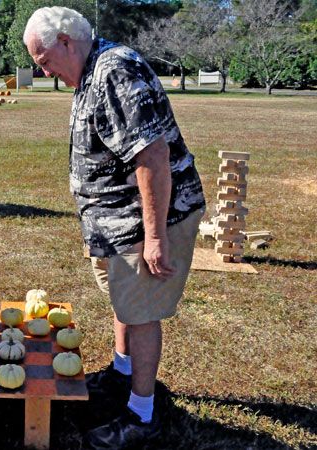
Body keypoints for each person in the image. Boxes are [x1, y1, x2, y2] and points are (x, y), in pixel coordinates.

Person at [23, 7, 205, 448]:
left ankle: (142, 415)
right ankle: (124, 374)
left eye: (44, 60)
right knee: (126, 302)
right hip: (116, 223)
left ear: (67, 41)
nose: (43, 70)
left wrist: (157, 236)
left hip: (148, 219)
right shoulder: (91, 71)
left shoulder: (114, 70)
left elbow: (152, 156)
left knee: (141, 313)